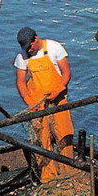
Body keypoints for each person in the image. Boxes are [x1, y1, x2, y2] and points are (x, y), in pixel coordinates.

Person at [14, 26, 74, 181]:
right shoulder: (22, 57)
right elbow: (21, 83)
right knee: (42, 139)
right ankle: (48, 177)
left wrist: (58, 91)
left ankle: (68, 173)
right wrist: (30, 104)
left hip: (58, 100)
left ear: (36, 38)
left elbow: (66, 73)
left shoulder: (55, 47)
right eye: (26, 48)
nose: (29, 50)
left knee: (64, 135)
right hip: (37, 104)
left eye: (30, 46)